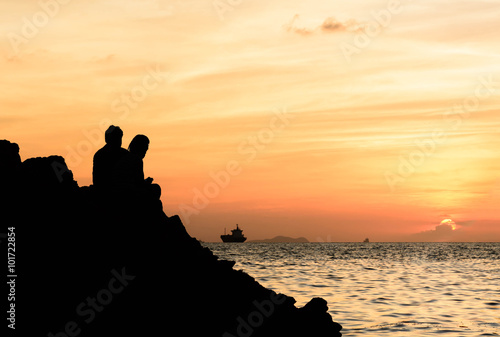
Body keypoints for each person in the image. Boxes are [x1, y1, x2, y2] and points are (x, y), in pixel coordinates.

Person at [112, 134, 161, 200]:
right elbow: (139, 183)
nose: (145, 153)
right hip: (128, 192)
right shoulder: (136, 160)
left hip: (119, 190)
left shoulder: (125, 157)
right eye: (144, 150)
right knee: (156, 188)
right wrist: (146, 182)